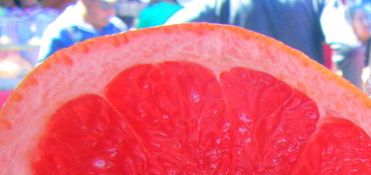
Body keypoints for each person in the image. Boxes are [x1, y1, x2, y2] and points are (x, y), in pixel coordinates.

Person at [166, 0, 326, 64]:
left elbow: (165, 36)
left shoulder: (219, 2)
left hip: (242, 112)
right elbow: (345, 45)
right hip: (303, 110)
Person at [37, 0, 127, 62]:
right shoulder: (61, 32)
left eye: (114, 6)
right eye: (105, 6)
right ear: (86, 1)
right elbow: (45, 77)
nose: (112, 12)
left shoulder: (117, 27)